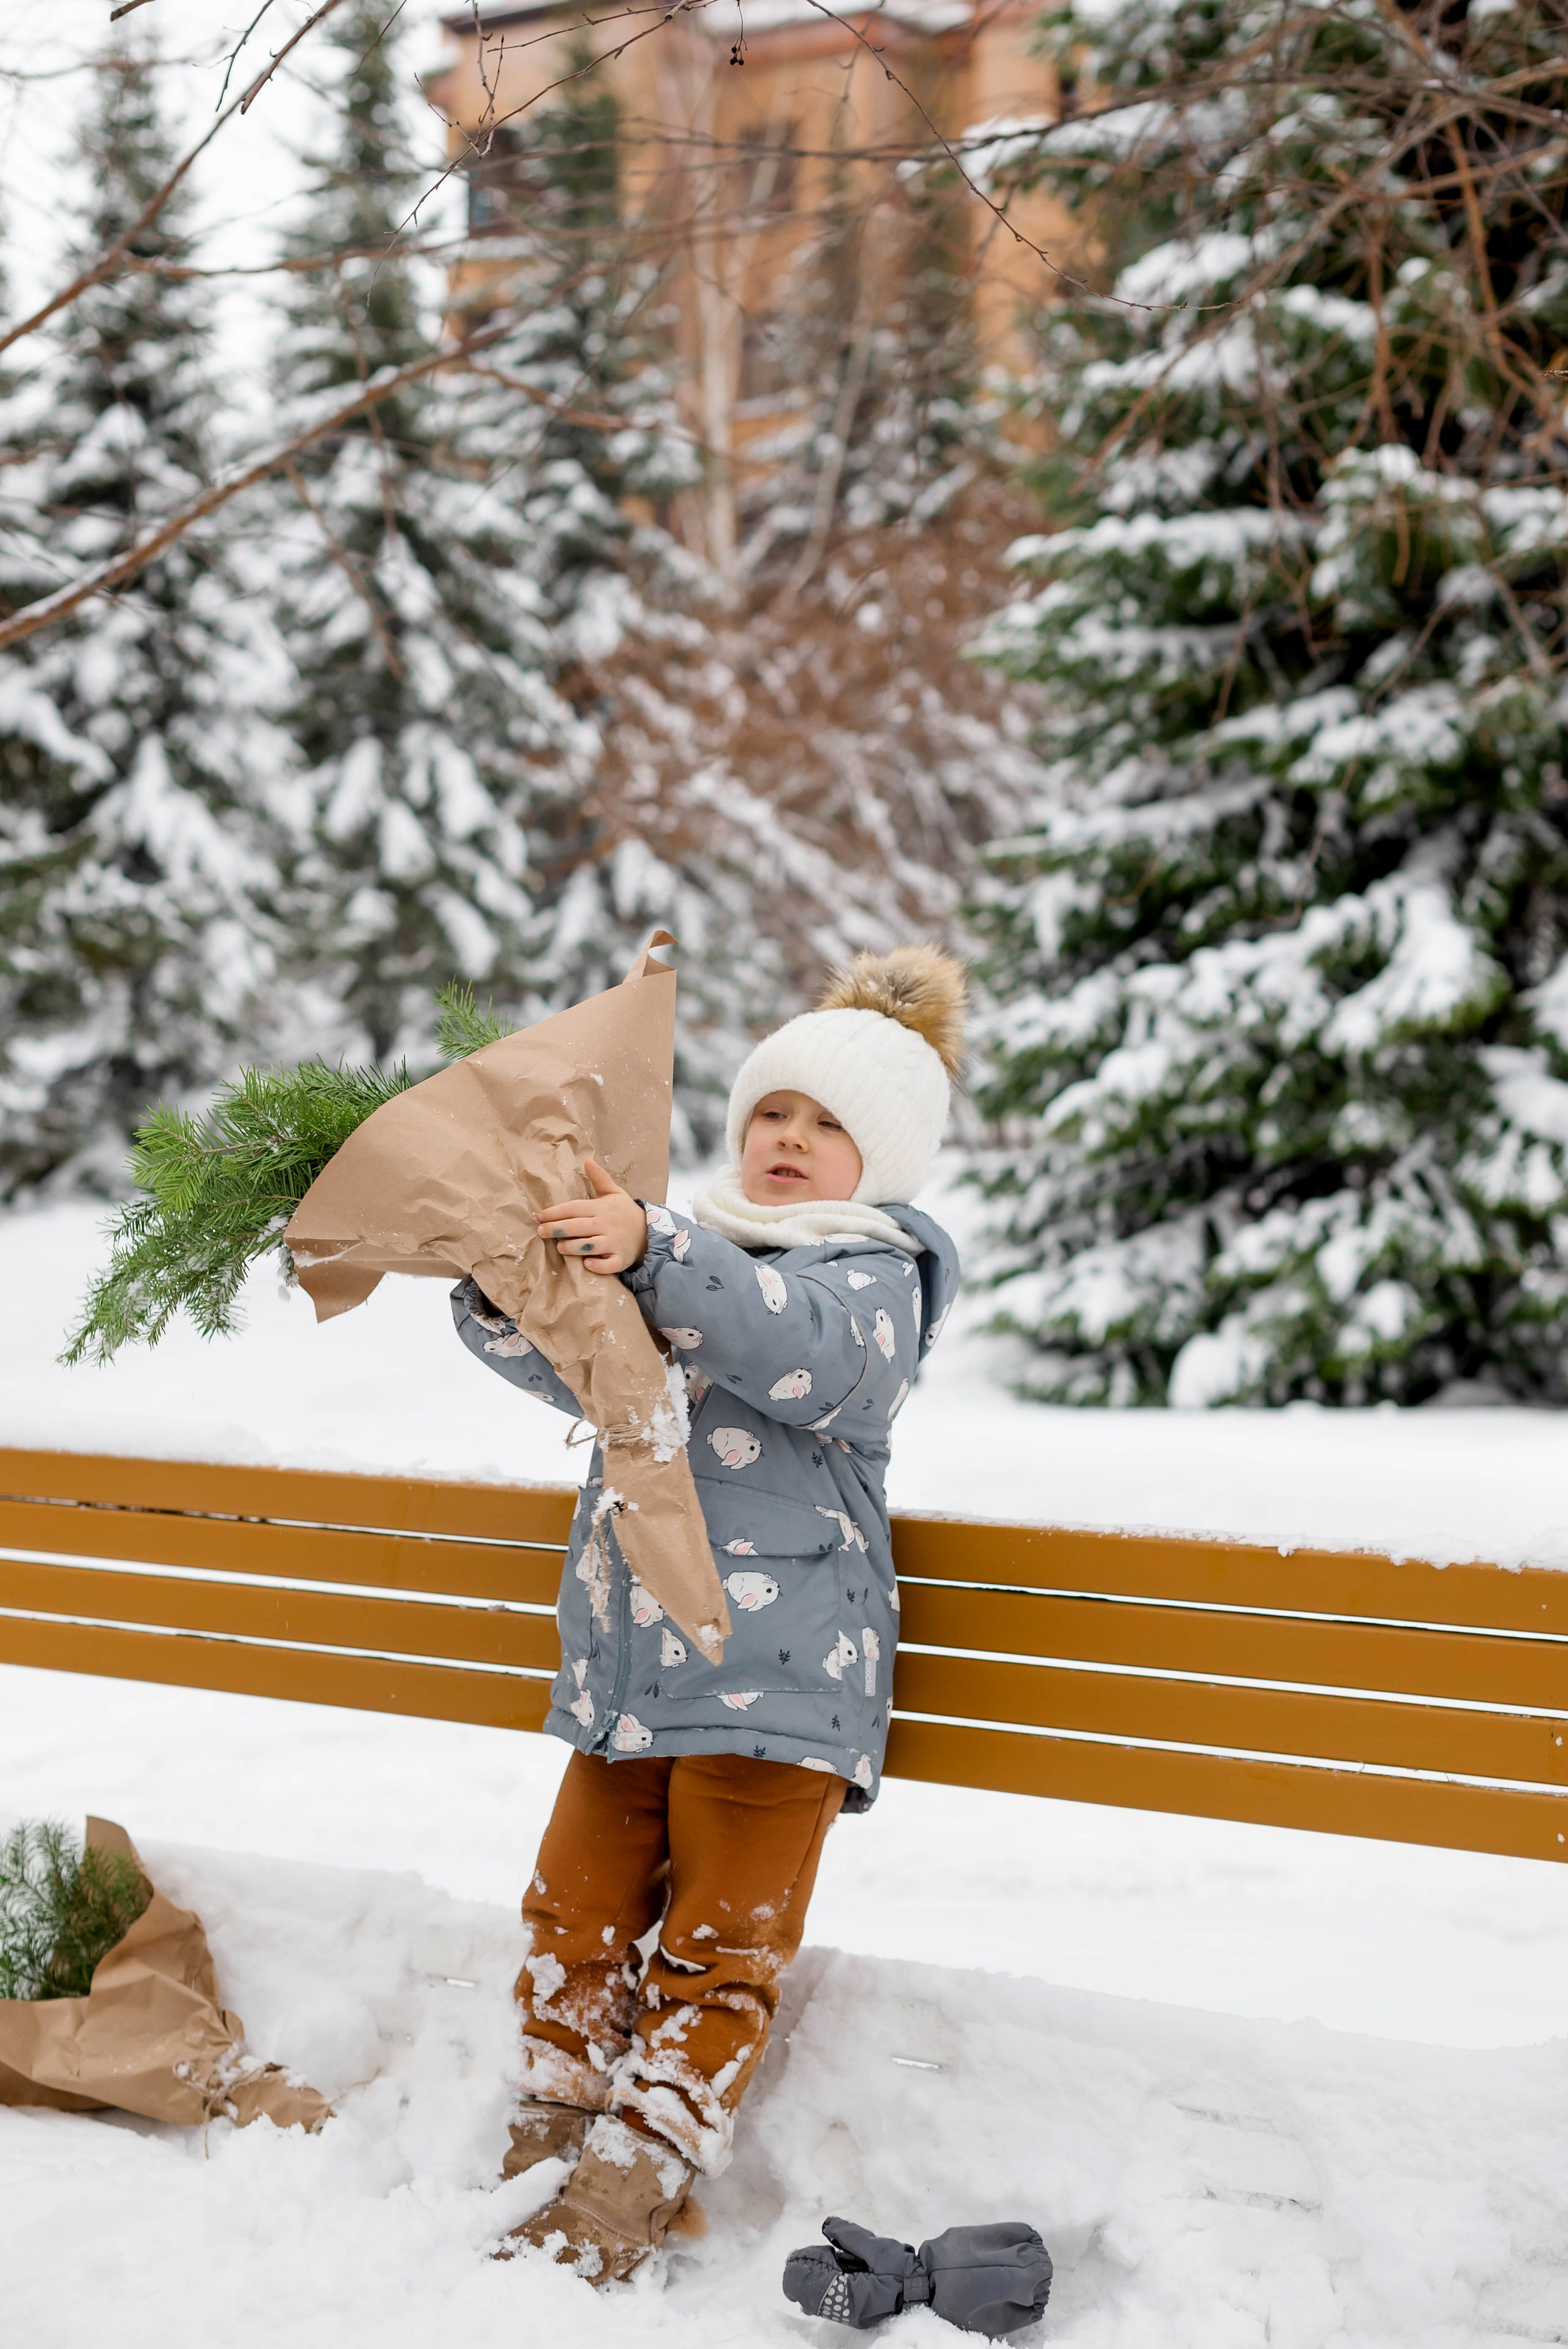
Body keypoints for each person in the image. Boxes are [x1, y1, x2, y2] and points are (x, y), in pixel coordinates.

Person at [450, 945, 965, 2283]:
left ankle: (636, 2171)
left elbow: (780, 1342)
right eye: (769, 1113)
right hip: (633, 1676)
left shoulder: (873, 1283)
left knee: (714, 1947)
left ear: (885, 1157)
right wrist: (496, 1268)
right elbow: (579, 1360)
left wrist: (657, 1243)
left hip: (779, 1683)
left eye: (825, 1122)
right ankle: (546, 2121)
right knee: (573, 1908)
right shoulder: (691, 1261)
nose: (786, 1138)